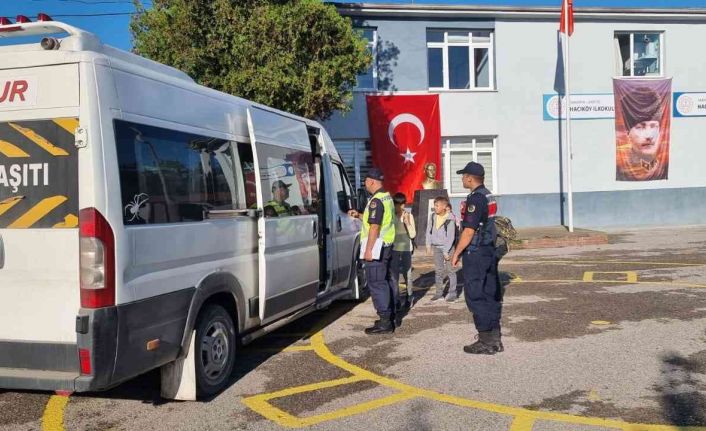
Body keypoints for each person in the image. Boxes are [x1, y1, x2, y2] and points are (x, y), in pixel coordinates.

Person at [451, 162, 504, 355]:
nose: (462, 179)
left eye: (463, 176)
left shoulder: (476, 199)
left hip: (476, 251)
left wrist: (456, 253)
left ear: (470, 178)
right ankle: (495, 338)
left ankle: (486, 340)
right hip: (489, 249)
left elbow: (469, 230)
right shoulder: (488, 194)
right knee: (490, 293)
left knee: (475, 294)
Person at [347, 168, 397, 334]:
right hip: (386, 245)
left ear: (371, 181)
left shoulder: (376, 201)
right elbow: (376, 220)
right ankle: (390, 316)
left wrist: (368, 250)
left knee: (377, 283)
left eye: (366, 181)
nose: (365, 184)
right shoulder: (386, 197)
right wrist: (359, 215)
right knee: (386, 281)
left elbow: (375, 226)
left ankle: (385, 323)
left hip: (377, 248)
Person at [616, 86, 668, 181]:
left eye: (654, 126)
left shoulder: (664, 168)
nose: (649, 136)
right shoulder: (621, 170)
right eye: (640, 127)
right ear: (627, 132)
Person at [426, 196, 460, 302]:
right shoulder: (433, 216)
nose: (435, 207)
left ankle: (452, 293)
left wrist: (446, 251)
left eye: (437, 206)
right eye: (434, 205)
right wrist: (428, 245)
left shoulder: (450, 218)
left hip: (448, 248)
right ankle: (439, 294)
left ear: (444, 207)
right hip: (437, 247)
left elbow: (450, 237)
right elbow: (428, 231)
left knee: (451, 271)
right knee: (438, 271)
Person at [391, 192, 416, 311]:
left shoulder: (409, 215)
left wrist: (407, 223)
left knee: (408, 275)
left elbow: (413, 234)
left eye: (403, 204)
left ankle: (409, 296)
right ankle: (396, 300)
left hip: (406, 249)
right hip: (394, 249)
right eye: (398, 204)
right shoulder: (391, 216)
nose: (401, 206)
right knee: (394, 276)